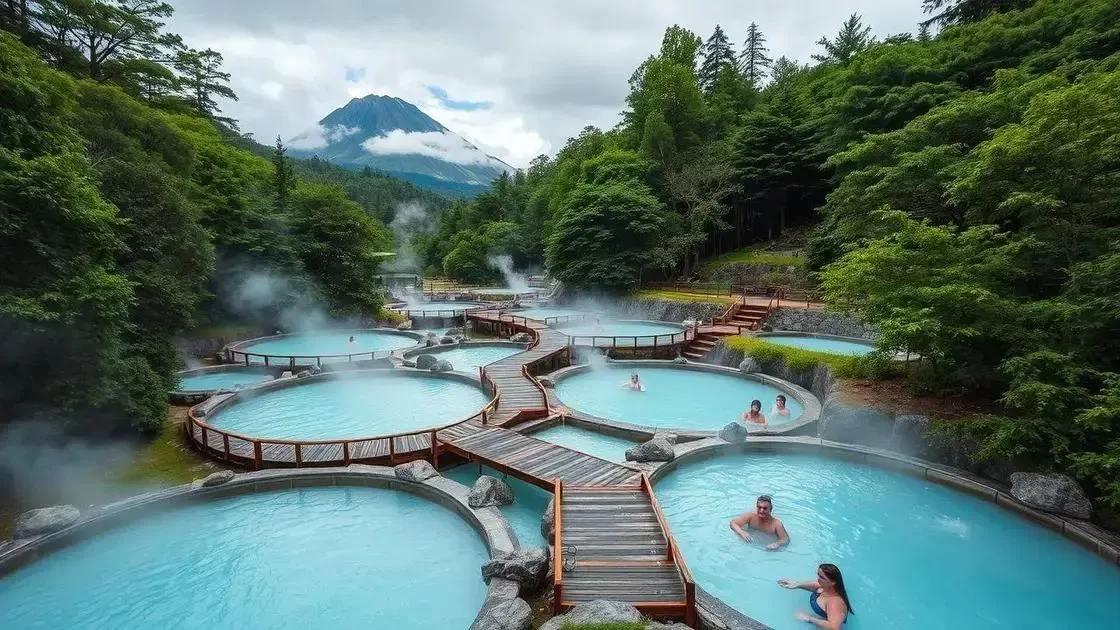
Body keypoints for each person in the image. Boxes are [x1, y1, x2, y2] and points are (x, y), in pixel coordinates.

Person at [778, 563, 853, 629]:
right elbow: (815, 585)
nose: (818, 579)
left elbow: (834, 627)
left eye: (822, 577)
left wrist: (809, 619)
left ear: (833, 582)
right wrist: (798, 584)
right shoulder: (825, 587)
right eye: (818, 574)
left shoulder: (834, 602)